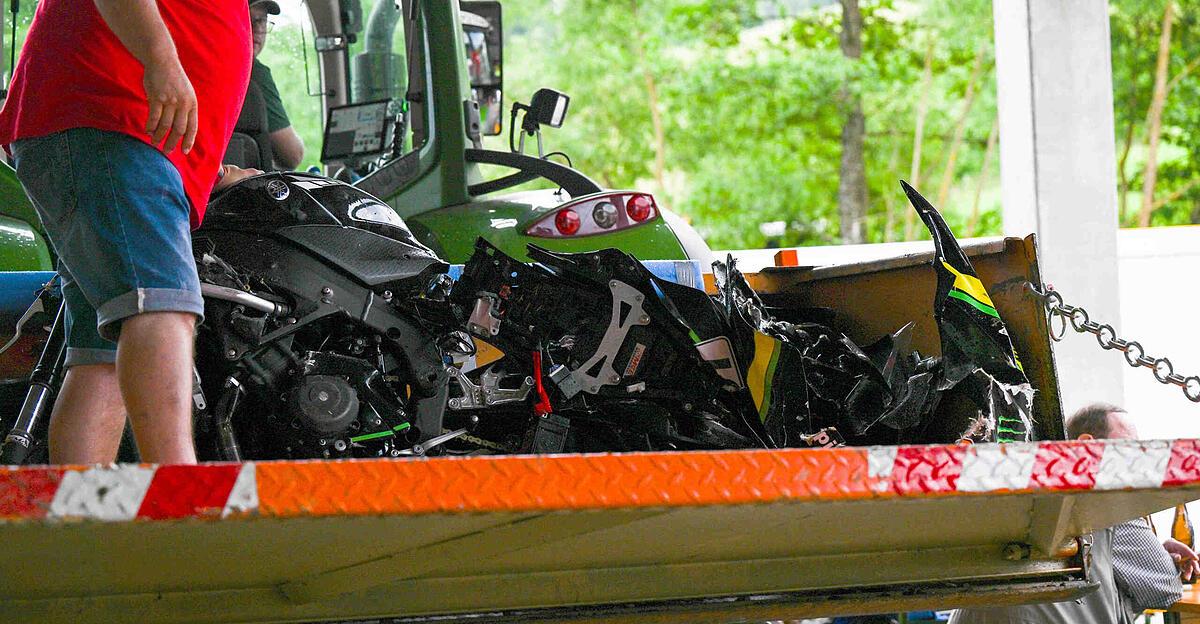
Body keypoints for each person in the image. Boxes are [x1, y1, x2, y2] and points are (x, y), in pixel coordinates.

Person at [0, 0, 259, 464]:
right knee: (161, 310)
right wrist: (160, 58)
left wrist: (205, 163)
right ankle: (177, 500)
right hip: (112, 118)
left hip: (110, 128)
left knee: (102, 358)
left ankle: (85, 522)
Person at [951, 403, 1196, 624]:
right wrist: (1162, 562)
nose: (1137, 459)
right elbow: (1163, 587)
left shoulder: (1007, 488)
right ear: (1088, 444)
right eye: (1130, 446)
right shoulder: (1106, 492)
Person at [246, 0, 305, 170]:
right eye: (249, 19)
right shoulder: (255, 72)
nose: (257, 29)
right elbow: (293, 155)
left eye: (262, 20)